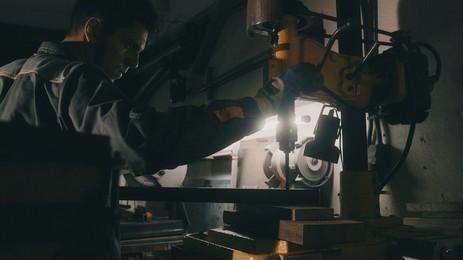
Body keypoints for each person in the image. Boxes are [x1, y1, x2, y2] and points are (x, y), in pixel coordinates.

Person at [0, 0, 323, 177]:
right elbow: (147, 139)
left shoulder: (6, 77)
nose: (135, 63)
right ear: (95, 30)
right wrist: (265, 102)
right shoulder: (73, 82)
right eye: (129, 45)